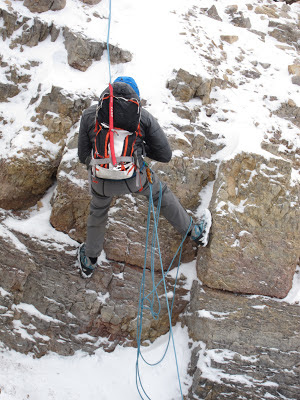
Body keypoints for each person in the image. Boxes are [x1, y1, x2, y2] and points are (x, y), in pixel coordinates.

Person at [77, 76, 211, 278]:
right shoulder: (143, 117)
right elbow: (165, 155)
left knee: (98, 211)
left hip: (101, 181)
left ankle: (90, 260)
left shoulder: (90, 114)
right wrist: (140, 151)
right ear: (135, 97)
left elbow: (83, 155)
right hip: (135, 180)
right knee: (160, 194)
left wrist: (100, 166)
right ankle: (196, 233)